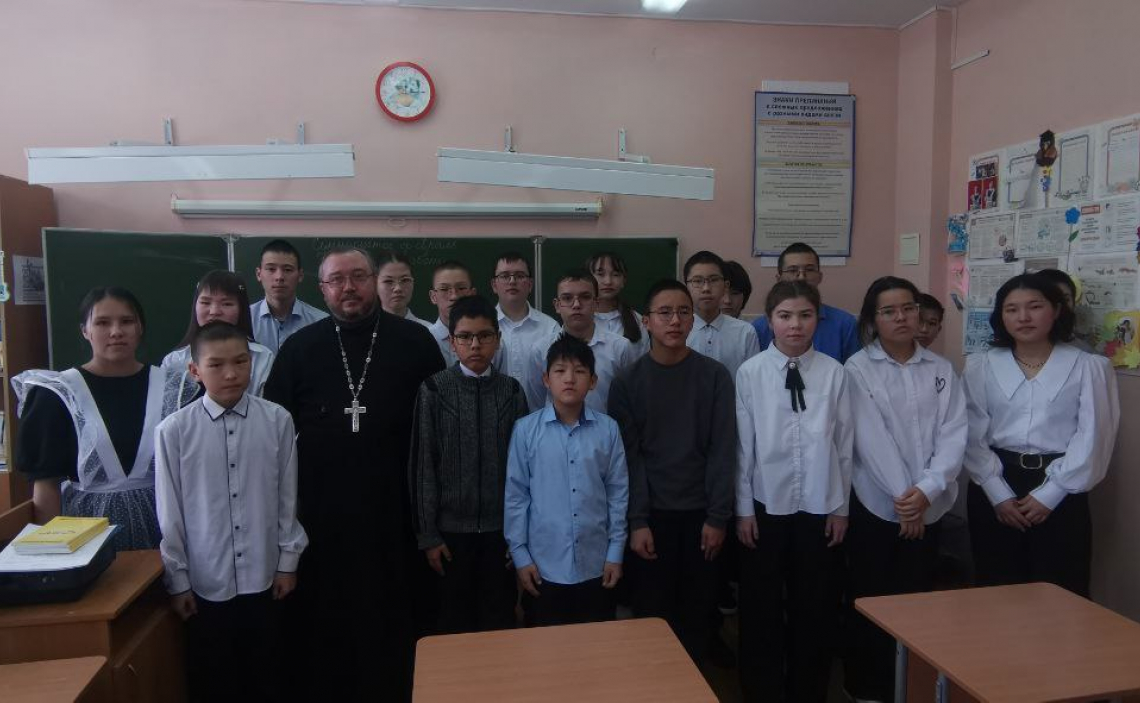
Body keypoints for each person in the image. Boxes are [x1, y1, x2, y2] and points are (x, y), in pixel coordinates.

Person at [263, 247, 445, 701]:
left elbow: (438, 429)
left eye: (359, 276)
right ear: (322, 289)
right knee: (329, 621)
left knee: (396, 615)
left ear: (374, 280)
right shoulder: (299, 349)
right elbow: (274, 436)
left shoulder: (416, 342)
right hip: (323, 517)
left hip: (397, 512)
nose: (348, 287)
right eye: (337, 280)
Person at [155, 321, 308, 703]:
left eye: (241, 362)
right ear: (195, 370)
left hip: (265, 575)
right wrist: (178, 580)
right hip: (207, 580)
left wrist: (287, 563)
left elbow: (287, 498)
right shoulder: (174, 431)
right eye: (216, 364)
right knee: (215, 678)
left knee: (268, 674)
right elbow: (170, 514)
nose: (231, 374)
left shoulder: (277, 420)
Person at [843, 277, 967, 703]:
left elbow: (954, 434)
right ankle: (867, 688)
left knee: (917, 599)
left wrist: (927, 491)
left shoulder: (941, 369)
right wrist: (906, 501)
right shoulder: (857, 369)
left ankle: (910, 688)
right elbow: (870, 440)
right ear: (872, 320)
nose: (901, 318)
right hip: (876, 505)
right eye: (889, 311)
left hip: (930, 506)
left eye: (908, 308)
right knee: (871, 597)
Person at [963, 273, 1119, 599]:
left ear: (1057, 310)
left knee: (1061, 590)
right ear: (1001, 316)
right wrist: (997, 493)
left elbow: (1094, 436)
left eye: (1035, 306)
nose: (1023, 317)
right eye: (1012, 309)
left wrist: (1051, 494)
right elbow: (971, 433)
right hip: (995, 484)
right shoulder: (981, 365)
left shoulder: (1088, 366)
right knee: (997, 588)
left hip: (1063, 485)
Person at [734, 280, 852, 703]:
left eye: (805, 315)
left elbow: (844, 444)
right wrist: (744, 510)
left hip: (820, 504)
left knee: (814, 606)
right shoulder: (750, 373)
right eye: (785, 316)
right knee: (761, 605)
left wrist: (841, 509)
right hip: (765, 504)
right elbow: (743, 446)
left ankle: (808, 690)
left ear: (818, 319)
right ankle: (761, 690)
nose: (795, 325)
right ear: (770, 321)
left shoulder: (835, 372)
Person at [608, 279, 736, 666]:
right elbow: (630, 459)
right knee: (653, 618)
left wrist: (718, 517)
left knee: (699, 616)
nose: (675, 320)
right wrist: (637, 521)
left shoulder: (714, 376)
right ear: (646, 321)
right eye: (665, 313)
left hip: (702, 518)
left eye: (683, 312)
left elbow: (722, 449)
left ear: (693, 320)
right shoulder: (627, 382)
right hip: (652, 519)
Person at [409, 296, 529, 634]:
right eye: (465, 336)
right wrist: (428, 536)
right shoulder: (434, 390)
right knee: (453, 625)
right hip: (449, 536)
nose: (475, 345)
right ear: (452, 342)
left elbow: (524, 470)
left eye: (484, 335)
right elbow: (423, 467)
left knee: (499, 621)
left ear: (497, 339)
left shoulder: (511, 391)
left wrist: (520, 535)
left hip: (500, 534)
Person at [12, 287, 165, 549]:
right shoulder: (58, 394)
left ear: (140, 327)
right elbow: (46, 484)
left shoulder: (172, 388)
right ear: (85, 331)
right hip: (85, 536)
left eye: (126, 321)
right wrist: (52, 554)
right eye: (102, 323)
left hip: (163, 530)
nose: (116, 332)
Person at [505, 333, 629, 626]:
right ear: (546, 379)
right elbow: (516, 496)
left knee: (596, 643)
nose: (570, 379)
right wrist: (520, 555)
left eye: (580, 371)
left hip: (597, 563)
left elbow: (618, 493)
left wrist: (615, 552)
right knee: (544, 645)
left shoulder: (608, 430)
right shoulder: (525, 430)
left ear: (593, 381)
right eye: (560, 371)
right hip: (543, 566)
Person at [524, 270, 634, 414]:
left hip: (606, 427)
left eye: (585, 297)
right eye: (567, 298)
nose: (576, 305)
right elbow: (536, 403)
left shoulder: (620, 347)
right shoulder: (540, 349)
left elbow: (629, 398)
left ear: (596, 303)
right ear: (557, 305)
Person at [162, 270, 274, 409]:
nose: (214, 311)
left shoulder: (262, 357)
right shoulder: (174, 361)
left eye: (226, 304)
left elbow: (266, 409)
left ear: (241, 309)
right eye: (205, 302)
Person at [752, 242, 860, 363]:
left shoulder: (845, 324)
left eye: (809, 270)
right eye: (793, 270)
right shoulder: (760, 327)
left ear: (820, 277)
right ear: (779, 278)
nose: (801, 277)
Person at [684, 250, 760, 377]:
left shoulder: (745, 332)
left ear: (725, 286)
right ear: (686, 287)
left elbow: (752, 380)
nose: (706, 288)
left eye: (713, 280)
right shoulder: (676, 330)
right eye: (697, 281)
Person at [490, 251, 559, 387]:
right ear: (494, 285)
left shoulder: (550, 328)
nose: (512, 281)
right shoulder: (481, 326)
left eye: (520, 276)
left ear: (530, 284)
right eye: (505, 276)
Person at [250, 239, 328, 353]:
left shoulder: (321, 322)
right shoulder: (244, 321)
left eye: (287, 270)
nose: (279, 277)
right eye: (271, 269)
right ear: (258, 274)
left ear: (300, 275)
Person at [587, 251, 649, 357]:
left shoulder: (637, 321)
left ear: (623, 281)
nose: (608, 281)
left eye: (615, 275)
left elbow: (644, 359)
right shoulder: (579, 318)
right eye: (600, 274)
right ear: (587, 279)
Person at [427, 260, 478, 366]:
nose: (454, 296)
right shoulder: (424, 340)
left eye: (461, 288)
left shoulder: (490, 341)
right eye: (444, 289)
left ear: (472, 295)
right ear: (433, 297)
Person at [1037, 268, 1094, 352]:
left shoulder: (1085, 353)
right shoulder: (1019, 347)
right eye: (1050, 299)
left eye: (1065, 299)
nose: (1059, 306)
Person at [377, 249, 431, 328]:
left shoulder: (428, 330)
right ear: (374, 284)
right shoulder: (365, 330)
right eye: (388, 281)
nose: (398, 288)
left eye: (405, 280)